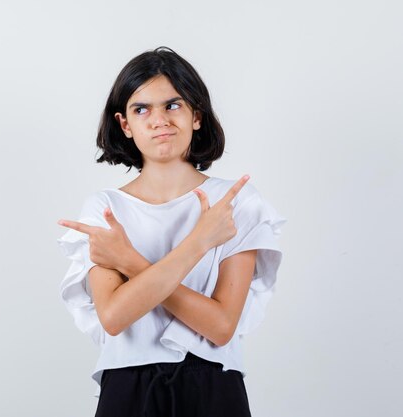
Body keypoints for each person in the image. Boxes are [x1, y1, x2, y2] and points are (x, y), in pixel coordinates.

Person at [56, 46, 286, 417]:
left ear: (197, 115)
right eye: (141, 108)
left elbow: (221, 326)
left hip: (213, 384)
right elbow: (114, 317)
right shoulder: (105, 209)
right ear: (125, 124)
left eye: (173, 105)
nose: (159, 119)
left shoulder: (234, 203)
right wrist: (199, 242)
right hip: (127, 386)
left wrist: (128, 261)